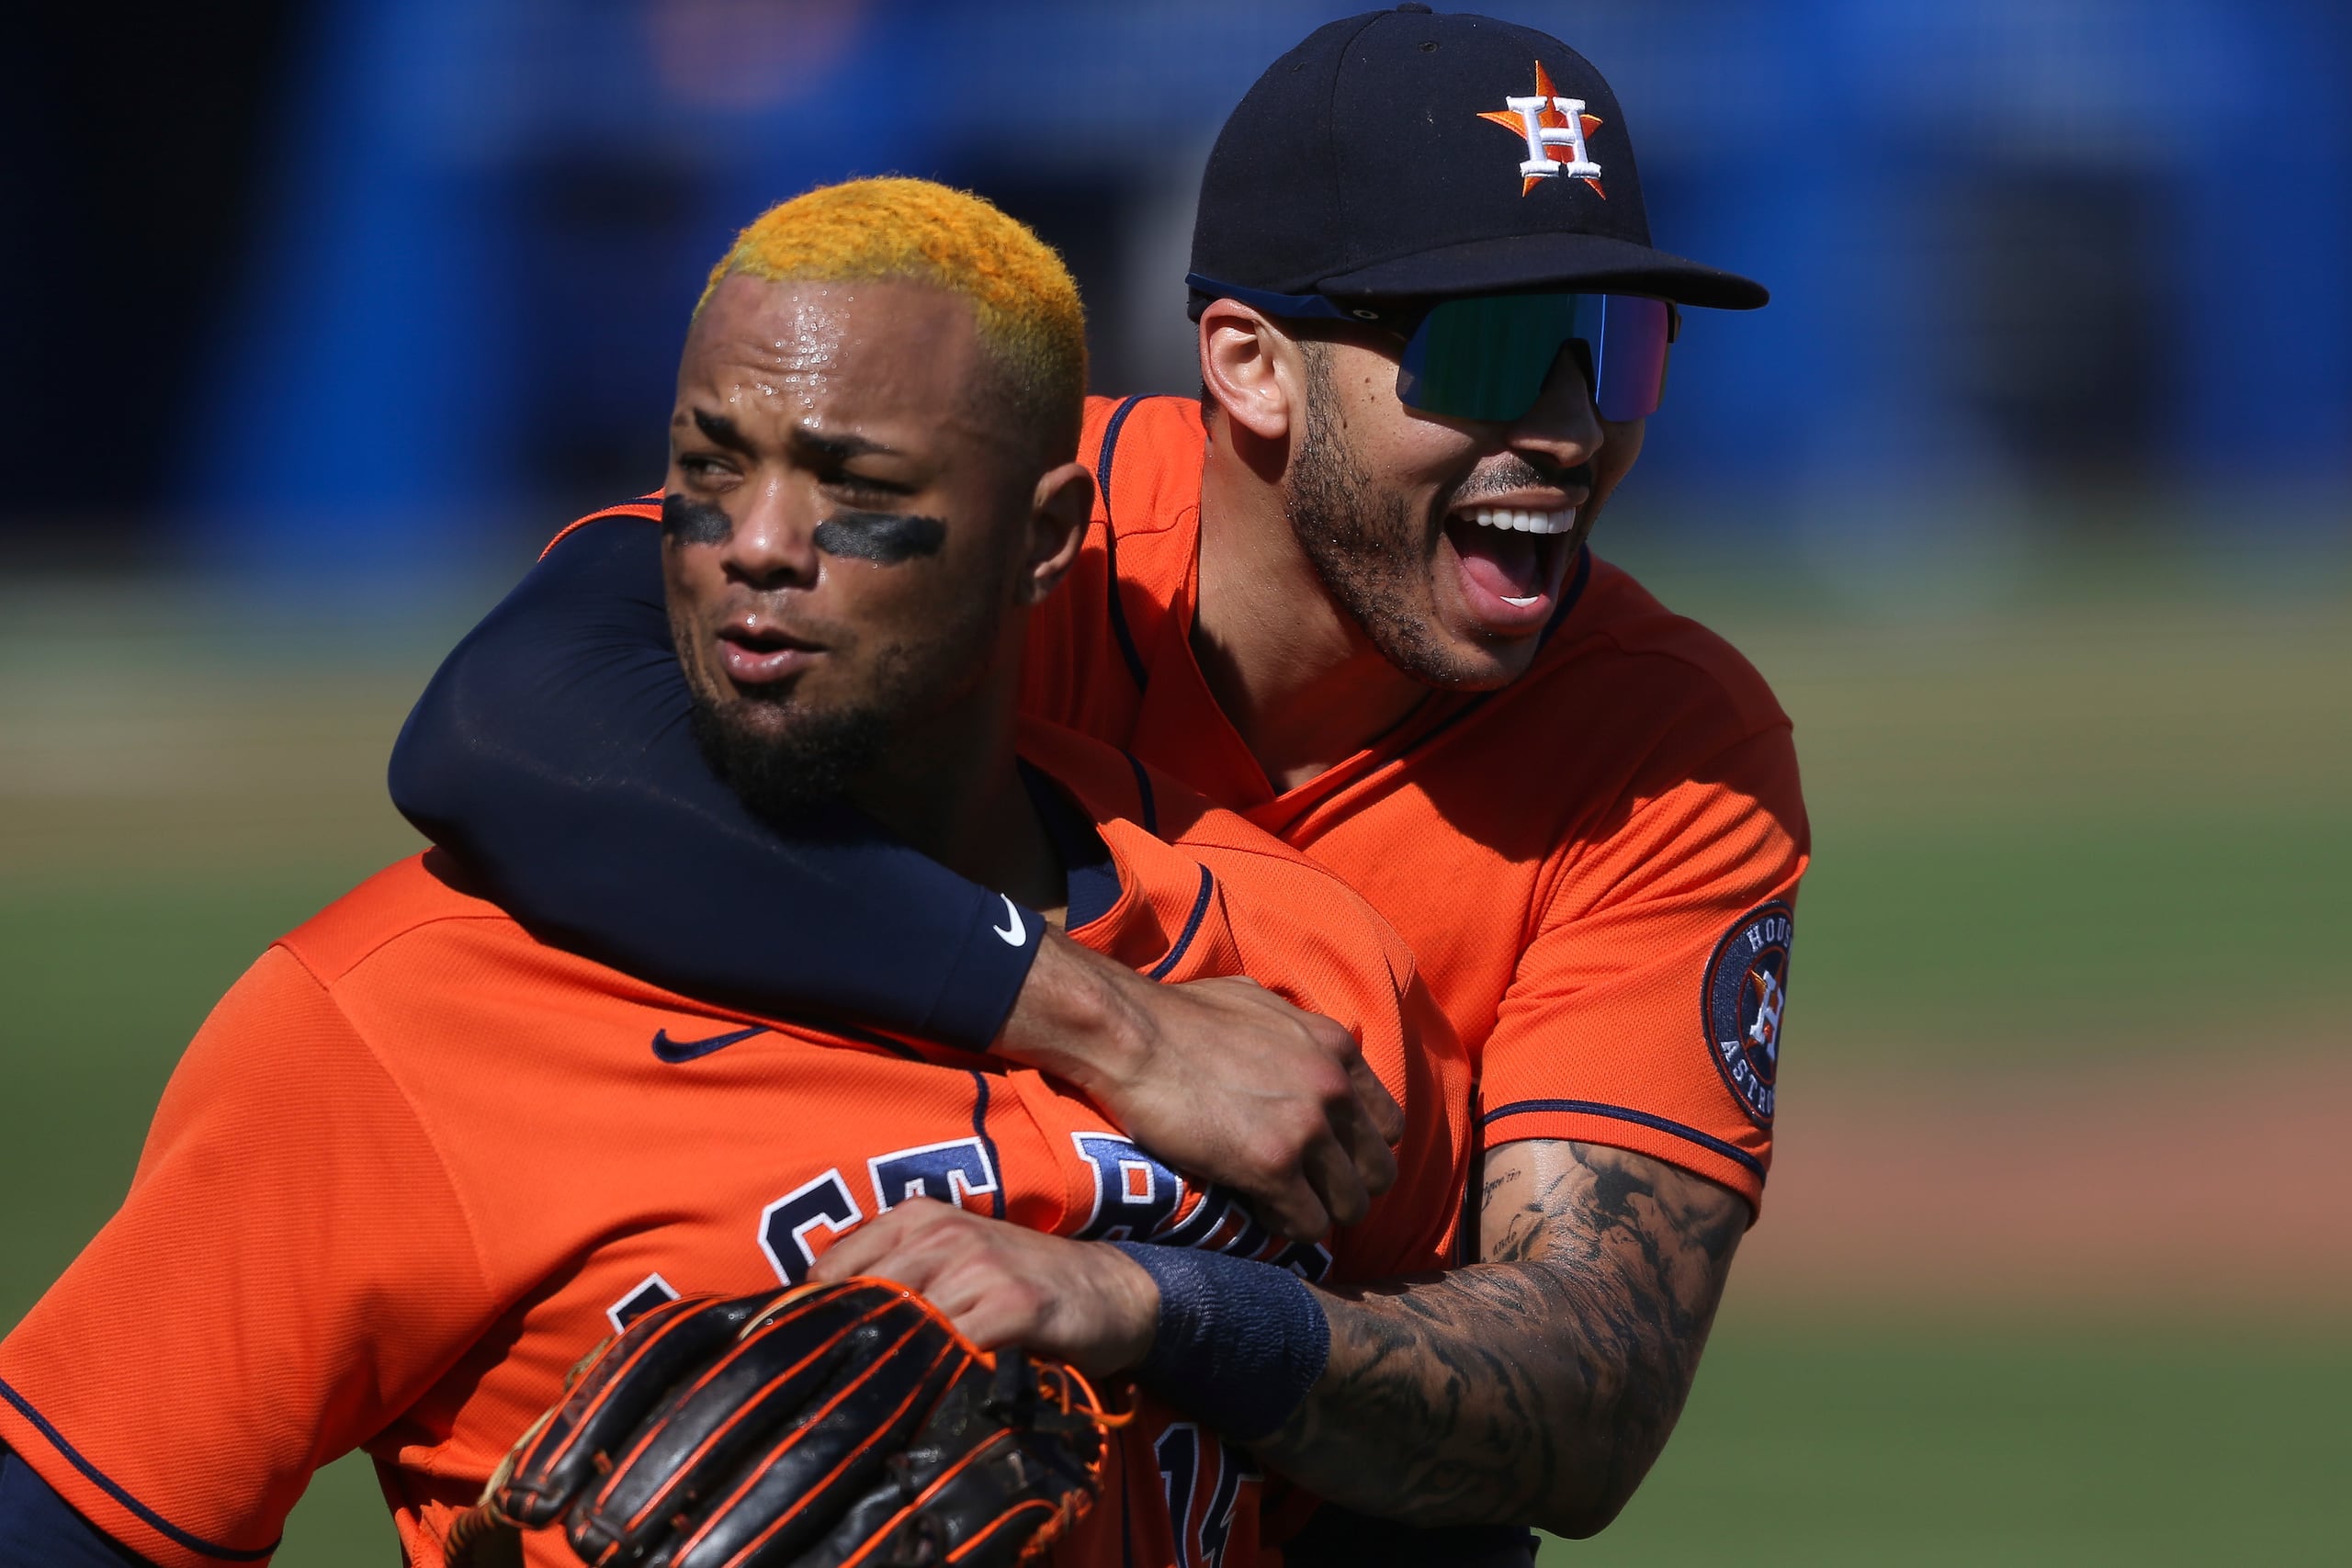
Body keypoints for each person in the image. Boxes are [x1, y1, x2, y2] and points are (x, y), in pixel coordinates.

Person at [390, 9, 1810, 1553]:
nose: (1564, 426)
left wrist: (1150, 1304)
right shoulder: (997, 528)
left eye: (1614, 347)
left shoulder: (1669, 753)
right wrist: (1105, 1021)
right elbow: (503, 721)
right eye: (1480, 350)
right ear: (1251, 366)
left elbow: (1588, 1391)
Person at [0, 182, 1473, 1568]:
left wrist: (1188, 1321)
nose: (757, 547)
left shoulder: (1300, 970)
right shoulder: (399, 1015)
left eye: (853, 487)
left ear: (1043, 538)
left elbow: (1449, 1499)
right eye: (709, 471)